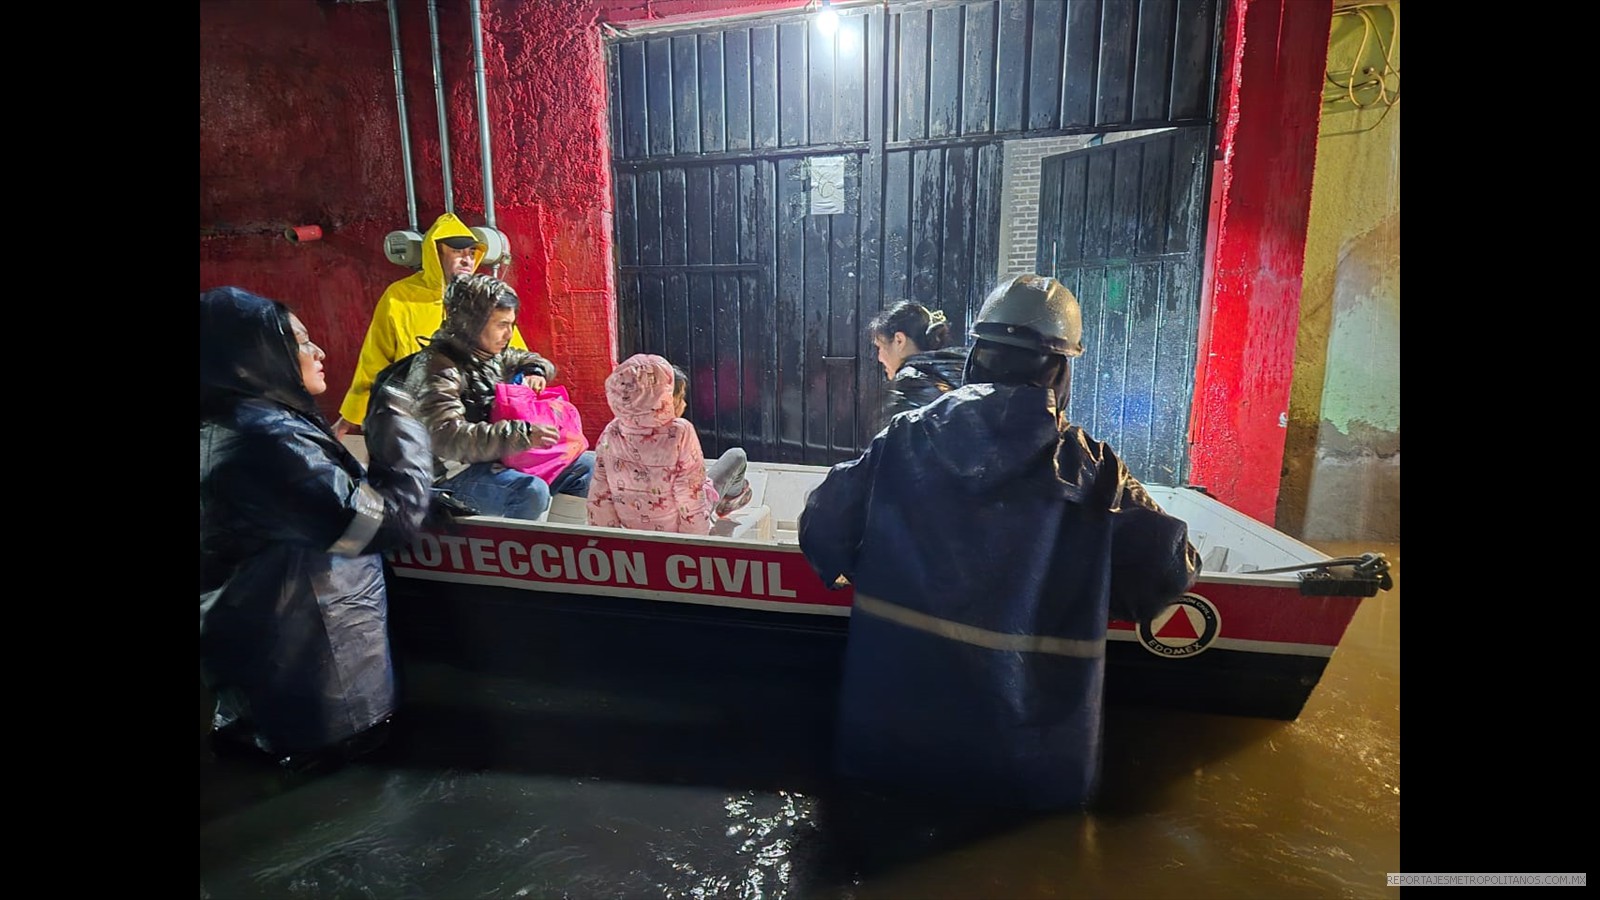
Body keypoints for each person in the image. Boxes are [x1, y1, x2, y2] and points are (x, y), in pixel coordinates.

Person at [797, 274, 1201, 811]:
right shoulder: (1095, 470)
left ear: (975, 357)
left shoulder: (904, 438)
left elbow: (822, 526)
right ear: (1060, 371)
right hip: (1028, 768)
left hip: (892, 751)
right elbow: (1167, 573)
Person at [200, 286, 434, 773]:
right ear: (258, 355)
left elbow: (303, 505)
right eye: (301, 341)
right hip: (324, 700)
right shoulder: (267, 438)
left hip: (255, 691)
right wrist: (400, 413)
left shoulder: (226, 424)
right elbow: (372, 526)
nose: (319, 351)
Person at [409, 272, 594, 520]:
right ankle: (514, 555)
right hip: (449, 477)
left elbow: (530, 359)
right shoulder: (437, 369)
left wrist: (534, 371)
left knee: (591, 468)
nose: (508, 334)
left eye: (511, 325)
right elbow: (447, 437)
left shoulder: (490, 355)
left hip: (499, 459)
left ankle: (563, 544)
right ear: (471, 323)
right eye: (501, 325)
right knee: (530, 491)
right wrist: (521, 435)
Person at [332, 212, 529, 438]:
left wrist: (529, 375)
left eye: (472, 253)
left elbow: (513, 349)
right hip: (414, 418)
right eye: (457, 251)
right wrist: (352, 416)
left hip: (475, 416)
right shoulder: (400, 297)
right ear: (435, 253)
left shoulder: (483, 298)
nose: (467, 260)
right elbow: (374, 361)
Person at [586, 355, 750, 534]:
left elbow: (600, 492)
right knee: (737, 455)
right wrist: (693, 541)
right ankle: (732, 497)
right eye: (679, 397)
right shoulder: (679, 431)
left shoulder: (612, 430)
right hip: (676, 530)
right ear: (662, 400)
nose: (684, 404)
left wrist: (611, 539)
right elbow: (690, 493)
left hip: (631, 528)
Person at [868, 300, 967, 425]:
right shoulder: (962, 370)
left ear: (899, 340)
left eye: (880, 347)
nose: (879, 357)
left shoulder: (908, 388)